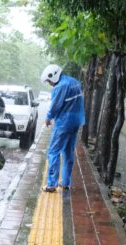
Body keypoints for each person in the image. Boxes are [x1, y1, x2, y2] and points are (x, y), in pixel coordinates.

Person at [40, 64, 85, 192]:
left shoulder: (59, 87)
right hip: (76, 121)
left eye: (49, 81)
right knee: (68, 152)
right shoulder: (75, 82)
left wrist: (48, 118)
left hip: (63, 123)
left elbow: (55, 106)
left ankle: (51, 184)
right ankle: (66, 182)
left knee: (53, 152)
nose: (49, 83)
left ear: (53, 76)